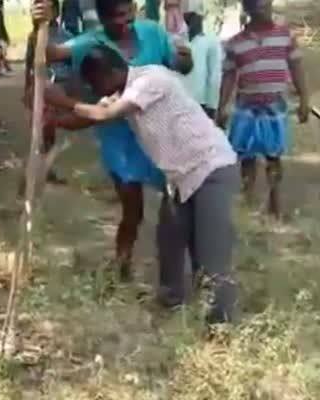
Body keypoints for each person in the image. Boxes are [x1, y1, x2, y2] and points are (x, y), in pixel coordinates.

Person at [45, 44, 239, 326]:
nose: (96, 90)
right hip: (179, 178)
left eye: (95, 83)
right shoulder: (121, 92)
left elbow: (103, 115)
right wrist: (54, 120)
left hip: (210, 168)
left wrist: (62, 100)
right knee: (170, 240)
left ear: (110, 73)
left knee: (211, 252)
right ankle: (171, 302)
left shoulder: (151, 80)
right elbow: (88, 116)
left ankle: (219, 325)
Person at [32, 0, 193, 282]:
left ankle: (177, 269)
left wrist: (185, 59)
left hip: (161, 134)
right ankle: (122, 267)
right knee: (132, 210)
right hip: (120, 140)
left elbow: (181, 65)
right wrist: (39, 27)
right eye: (114, 17)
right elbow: (49, 53)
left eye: (126, 14)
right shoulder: (91, 41)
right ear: (101, 18)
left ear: (133, 8)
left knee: (177, 203)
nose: (122, 22)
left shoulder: (153, 32)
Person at [217, 0, 309, 218]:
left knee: (273, 155)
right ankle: (248, 199)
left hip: (274, 108)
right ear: (248, 10)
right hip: (246, 107)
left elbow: (296, 68)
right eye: (258, 5)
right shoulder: (235, 43)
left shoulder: (285, 36)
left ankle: (274, 203)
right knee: (246, 155)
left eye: (266, 4)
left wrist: (304, 98)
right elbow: (229, 76)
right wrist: (221, 106)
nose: (264, 9)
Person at [24, 0, 73, 186]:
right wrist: (27, 89)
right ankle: (36, 172)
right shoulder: (34, 37)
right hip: (39, 88)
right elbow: (29, 64)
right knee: (38, 132)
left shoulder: (65, 36)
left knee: (49, 131)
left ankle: (47, 168)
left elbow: (70, 65)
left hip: (56, 89)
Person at [181, 12, 222, 118]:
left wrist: (212, 105)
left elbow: (214, 74)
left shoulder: (210, 41)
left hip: (200, 103)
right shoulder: (177, 41)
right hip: (179, 102)